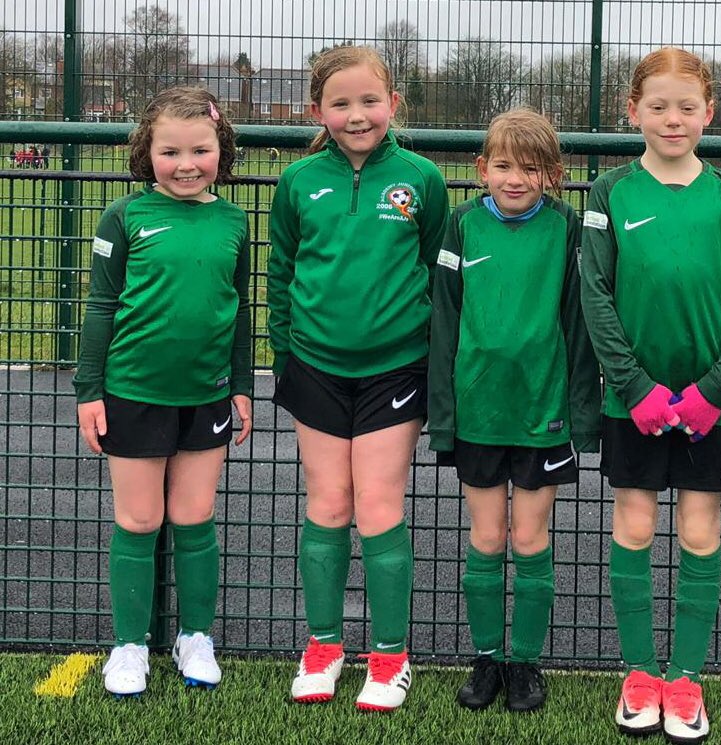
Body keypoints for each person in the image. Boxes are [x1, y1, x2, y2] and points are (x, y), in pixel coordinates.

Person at [580, 47, 721, 741]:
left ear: (708, 112)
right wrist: (632, 386)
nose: (672, 118)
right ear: (633, 111)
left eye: (687, 106)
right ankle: (639, 673)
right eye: (657, 105)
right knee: (633, 526)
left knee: (698, 531)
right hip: (633, 404)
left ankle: (685, 678)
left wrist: (716, 389)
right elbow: (595, 292)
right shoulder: (610, 193)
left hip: (709, 407)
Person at [267, 45, 449, 711]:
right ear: (318, 110)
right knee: (328, 505)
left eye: (369, 101)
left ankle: (390, 655)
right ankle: (323, 646)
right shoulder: (298, 182)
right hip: (315, 366)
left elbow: (435, 268)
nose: (357, 114)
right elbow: (281, 271)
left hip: (394, 370)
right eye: (340, 103)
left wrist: (426, 356)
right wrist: (285, 353)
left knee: (377, 506)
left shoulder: (423, 179)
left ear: (393, 104)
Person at [73, 86, 253, 697]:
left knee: (195, 515)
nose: (185, 163)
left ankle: (195, 636)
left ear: (220, 152)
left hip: (207, 395)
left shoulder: (235, 220)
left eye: (200, 150)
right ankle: (129, 646)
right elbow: (100, 307)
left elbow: (240, 310)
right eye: (170, 151)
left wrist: (243, 384)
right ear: (147, 153)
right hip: (132, 392)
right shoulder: (124, 217)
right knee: (140, 517)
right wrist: (88, 389)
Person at [428, 107, 601, 713]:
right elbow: (444, 323)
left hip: (542, 410)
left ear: (552, 174)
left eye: (531, 168)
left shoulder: (569, 228)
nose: (515, 178)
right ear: (481, 169)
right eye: (502, 165)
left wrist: (582, 415)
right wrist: (443, 415)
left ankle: (524, 660)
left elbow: (580, 326)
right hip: (478, 410)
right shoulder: (460, 226)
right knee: (486, 535)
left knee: (529, 537)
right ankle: (485, 659)